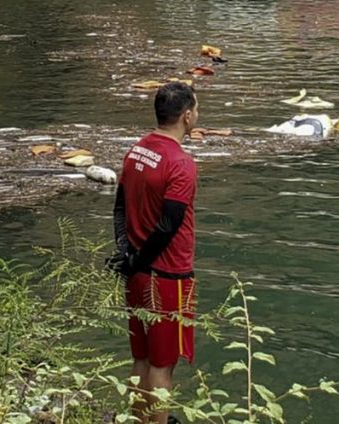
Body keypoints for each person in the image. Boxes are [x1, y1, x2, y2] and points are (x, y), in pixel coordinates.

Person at [109, 81, 199, 424]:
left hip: (136, 273)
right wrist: (140, 259)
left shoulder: (137, 151)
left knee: (142, 359)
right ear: (187, 116)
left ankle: (137, 421)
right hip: (168, 276)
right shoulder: (181, 163)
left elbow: (119, 207)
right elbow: (169, 224)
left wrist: (126, 254)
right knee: (163, 364)